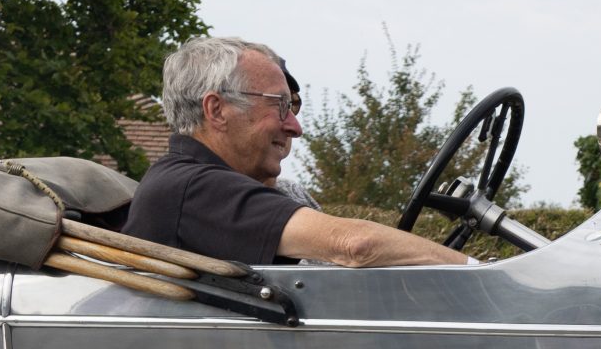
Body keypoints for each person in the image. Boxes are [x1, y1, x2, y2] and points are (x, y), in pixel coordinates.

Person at [117, 36, 468, 267]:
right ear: (217, 110)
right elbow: (354, 244)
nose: (295, 128)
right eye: (279, 105)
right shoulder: (191, 189)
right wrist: (481, 273)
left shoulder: (202, 186)